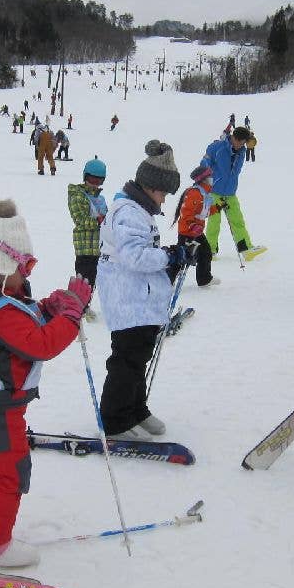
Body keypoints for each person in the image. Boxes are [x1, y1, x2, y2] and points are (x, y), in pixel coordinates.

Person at [0, 200, 91, 569]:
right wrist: (72, 314)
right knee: (10, 471)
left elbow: (23, 323)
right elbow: (40, 344)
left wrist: (48, 307)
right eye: (24, 267)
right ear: (2, 267)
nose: (27, 276)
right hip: (0, 406)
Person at [96, 141, 190, 440]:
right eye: (163, 193)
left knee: (138, 357)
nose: (164, 201)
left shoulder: (139, 211)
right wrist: (168, 257)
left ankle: (136, 409)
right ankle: (115, 419)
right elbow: (134, 256)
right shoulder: (128, 212)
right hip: (127, 300)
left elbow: (141, 251)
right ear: (150, 186)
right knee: (127, 359)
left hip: (140, 299)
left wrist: (174, 255)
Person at [201, 126, 266, 262]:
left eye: (243, 143)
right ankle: (210, 251)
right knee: (214, 222)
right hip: (214, 192)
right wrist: (208, 180)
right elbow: (204, 163)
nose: (241, 146)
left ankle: (245, 249)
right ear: (234, 138)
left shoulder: (241, 151)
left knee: (238, 221)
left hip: (230, 192)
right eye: (240, 142)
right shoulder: (217, 147)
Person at [67, 158, 108, 321]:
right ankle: (77, 309)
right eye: (92, 179)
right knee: (83, 280)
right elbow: (80, 220)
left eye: (99, 180)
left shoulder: (100, 198)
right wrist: (100, 220)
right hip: (84, 246)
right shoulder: (78, 196)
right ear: (85, 177)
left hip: (98, 246)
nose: (95, 184)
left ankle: (84, 306)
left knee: (93, 280)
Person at [171, 165, 220, 288]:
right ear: (203, 180)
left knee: (206, 253)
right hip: (187, 232)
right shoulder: (194, 193)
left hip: (197, 232)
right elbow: (185, 212)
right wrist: (191, 225)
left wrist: (217, 208)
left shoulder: (205, 194)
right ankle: (167, 281)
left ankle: (204, 279)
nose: (212, 179)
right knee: (182, 257)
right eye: (210, 177)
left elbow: (203, 212)